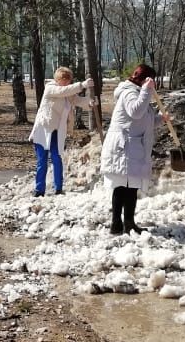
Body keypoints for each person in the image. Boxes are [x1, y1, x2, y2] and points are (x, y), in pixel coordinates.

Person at [100, 64, 167, 235]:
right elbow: (136, 112)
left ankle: (128, 223)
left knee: (131, 187)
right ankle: (117, 224)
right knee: (122, 187)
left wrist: (161, 119)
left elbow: (143, 119)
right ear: (143, 79)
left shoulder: (138, 93)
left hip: (133, 146)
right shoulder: (129, 92)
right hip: (124, 147)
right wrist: (146, 91)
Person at [28, 67, 92, 197]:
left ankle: (58, 188)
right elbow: (63, 91)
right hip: (43, 129)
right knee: (42, 160)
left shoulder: (67, 92)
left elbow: (77, 100)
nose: (67, 83)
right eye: (65, 81)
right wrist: (82, 85)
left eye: (69, 81)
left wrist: (90, 102)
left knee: (57, 158)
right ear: (58, 80)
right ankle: (39, 190)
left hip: (57, 131)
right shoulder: (50, 88)